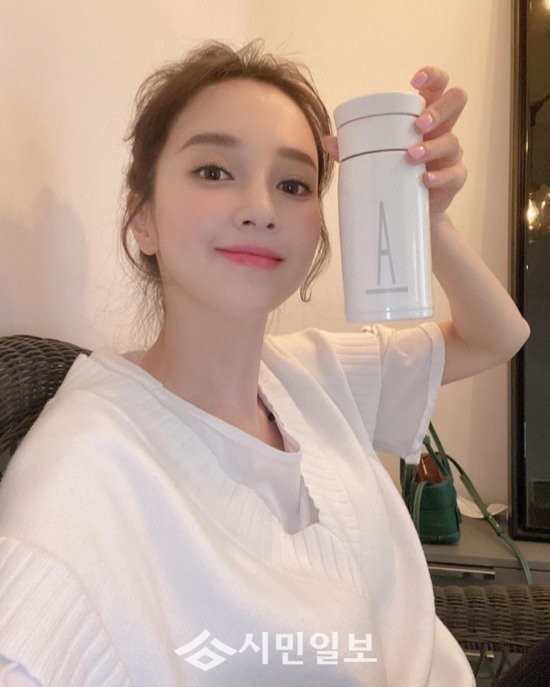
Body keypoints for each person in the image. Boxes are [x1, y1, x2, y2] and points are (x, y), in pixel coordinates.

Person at [0, 40, 529, 686]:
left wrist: (429, 216)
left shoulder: (313, 372)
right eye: (214, 171)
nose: (260, 208)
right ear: (142, 218)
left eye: (293, 184)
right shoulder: (86, 463)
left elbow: (498, 335)